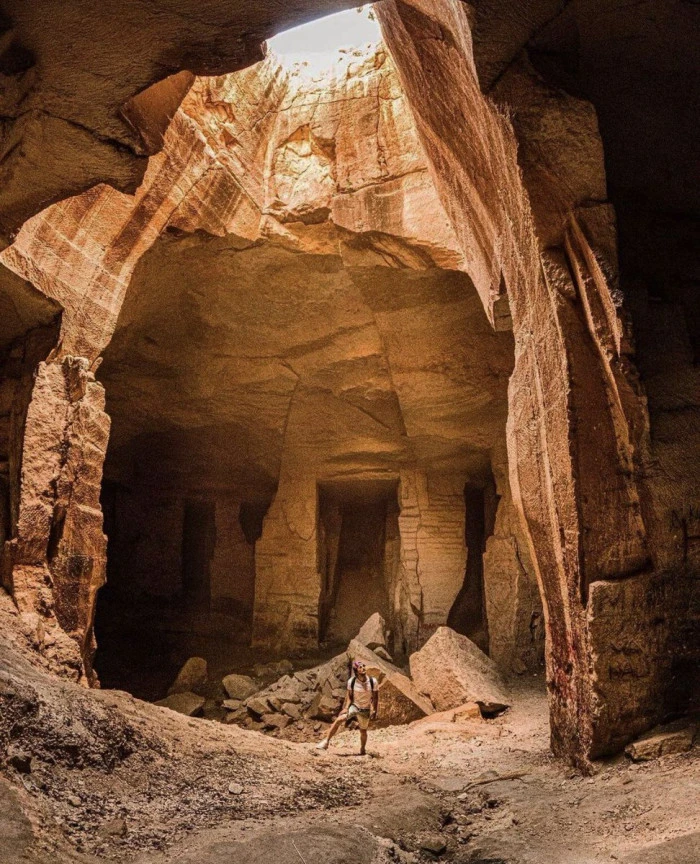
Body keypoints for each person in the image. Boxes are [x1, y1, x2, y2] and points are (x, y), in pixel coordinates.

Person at [315, 659, 378, 755]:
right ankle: (326, 742)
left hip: (365, 709)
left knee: (363, 731)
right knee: (339, 719)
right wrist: (346, 707)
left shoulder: (373, 682)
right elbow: (349, 696)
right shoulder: (352, 681)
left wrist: (374, 709)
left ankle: (362, 749)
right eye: (360, 667)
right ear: (356, 671)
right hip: (355, 707)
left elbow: (375, 697)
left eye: (364, 666)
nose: (363, 668)